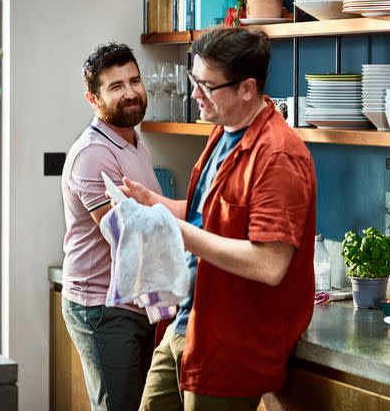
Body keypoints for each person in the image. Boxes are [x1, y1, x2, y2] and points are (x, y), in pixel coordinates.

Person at [119, 27, 316, 410]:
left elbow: (269, 264)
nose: (195, 95)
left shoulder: (278, 157)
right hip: (186, 326)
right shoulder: (224, 131)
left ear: (247, 88)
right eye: (195, 81)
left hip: (230, 344)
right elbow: (211, 217)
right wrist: (155, 205)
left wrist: (178, 233)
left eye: (207, 86)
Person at [60, 42, 161, 411]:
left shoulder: (135, 143)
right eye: (116, 86)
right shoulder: (92, 154)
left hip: (137, 301)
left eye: (134, 80)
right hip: (101, 306)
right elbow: (126, 234)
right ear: (92, 97)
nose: (131, 92)